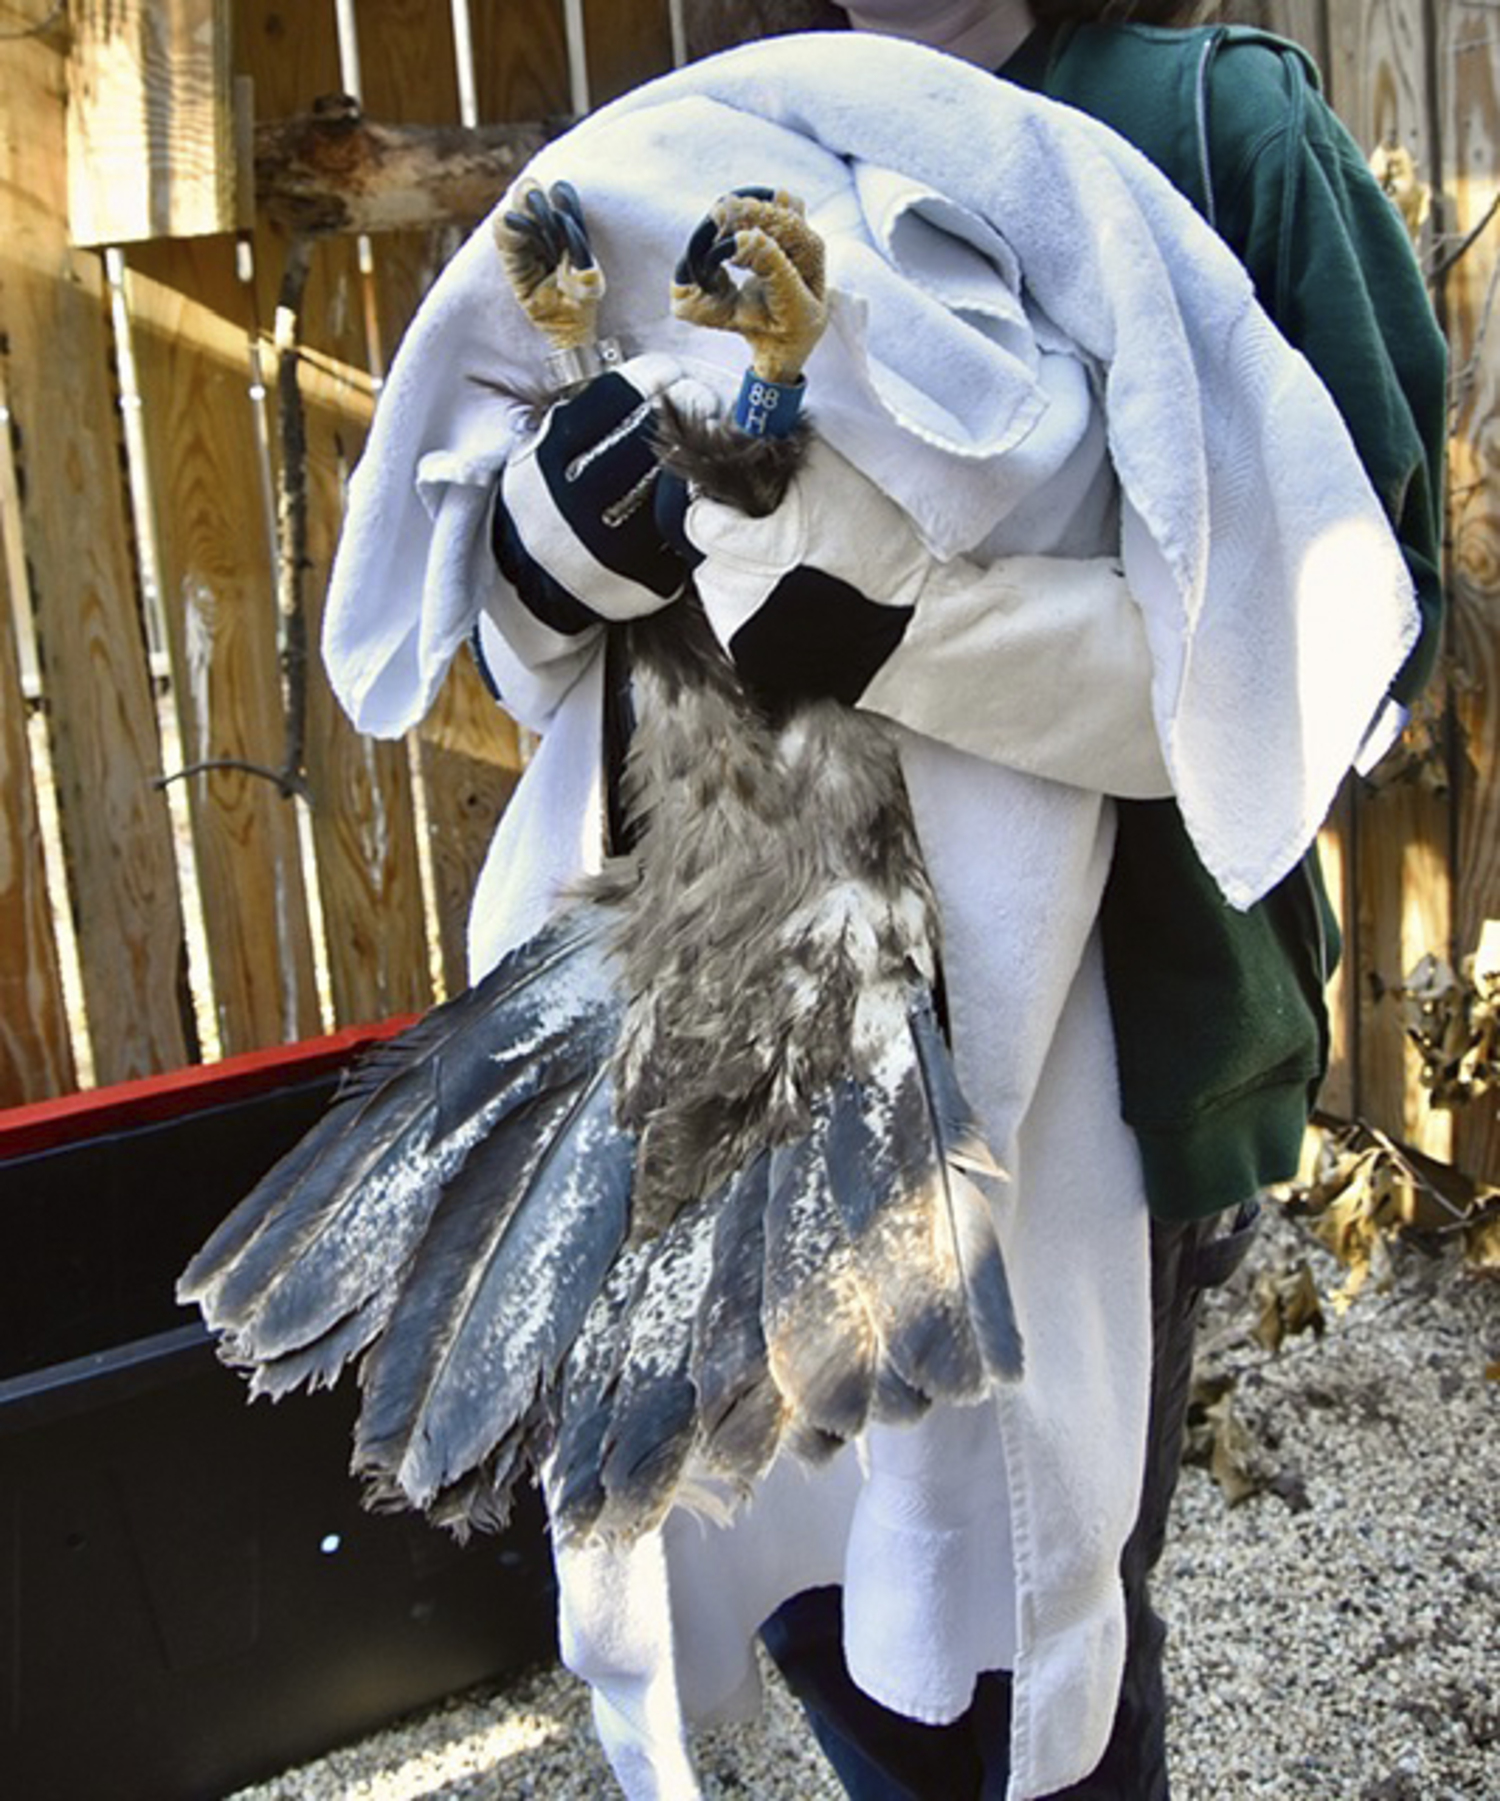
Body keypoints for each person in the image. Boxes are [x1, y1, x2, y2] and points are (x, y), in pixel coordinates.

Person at [312, 5, 1444, 1796]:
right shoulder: (675, 147)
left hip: (1105, 1067)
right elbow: (553, 677)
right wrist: (545, 555)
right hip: (717, 1025)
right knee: (786, 1563)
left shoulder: (1219, 131)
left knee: (1012, 1632)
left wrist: (925, 631)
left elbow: (1342, 664)